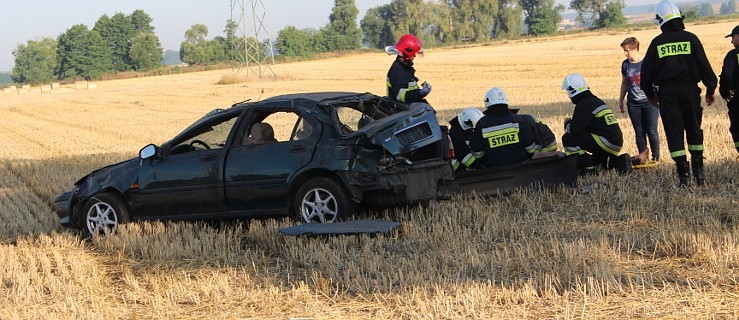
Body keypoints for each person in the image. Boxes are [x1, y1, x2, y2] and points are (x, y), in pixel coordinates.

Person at [640, 0, 717, 186]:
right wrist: (710, 88)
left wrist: (651, 95)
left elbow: (646, 76)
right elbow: (704, 66)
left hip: (667, 94)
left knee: (674, 133)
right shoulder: (691, 38)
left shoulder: (657, 43)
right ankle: (699, 173)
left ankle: (684, 177)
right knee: (694, 129)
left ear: (660, 21)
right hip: (690, 91)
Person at [469, 87, 556, 168]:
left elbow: (477, 152)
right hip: (521, 167)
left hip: (494, 170)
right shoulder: (518, 120)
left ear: (487, 103)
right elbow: (529, 146)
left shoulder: (482, 123)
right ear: (506, 101)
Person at [561, 73, 630, 173]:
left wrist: (567, 123)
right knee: (598, 161)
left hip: (605, 141)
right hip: (614, 142)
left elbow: (575, 130)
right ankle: (617, 162)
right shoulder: (596, 101)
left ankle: (586, 166)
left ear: (572, 91)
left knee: (568, 138)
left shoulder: (584, 104)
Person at [618, 37, 661, 164]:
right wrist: (621, 100)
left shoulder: (647, 62)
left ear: (635, 48)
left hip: (649, 102)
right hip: (633, 103)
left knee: (651, 130)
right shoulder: (625, 64)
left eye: (627, 50)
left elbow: (657, 81)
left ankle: (656, 157)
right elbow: (624, 83)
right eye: (624, 51)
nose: (626, 53)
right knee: (639, 132)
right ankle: (643, 157)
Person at [385, 34, 431, 103]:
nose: (415, 56)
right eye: (413, 54)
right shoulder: (397, 70)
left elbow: (410, 91)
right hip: (401, 110)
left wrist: (420, 91)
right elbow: (400, 96)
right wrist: (420, 93)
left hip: (409, 109)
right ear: (407, 54)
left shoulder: (404, 67)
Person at [719, 25, 739, 158]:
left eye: (733, 37)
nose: (731, 41)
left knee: (737, 128)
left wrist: (725, 92)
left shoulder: (733, 55)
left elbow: (727, 76)